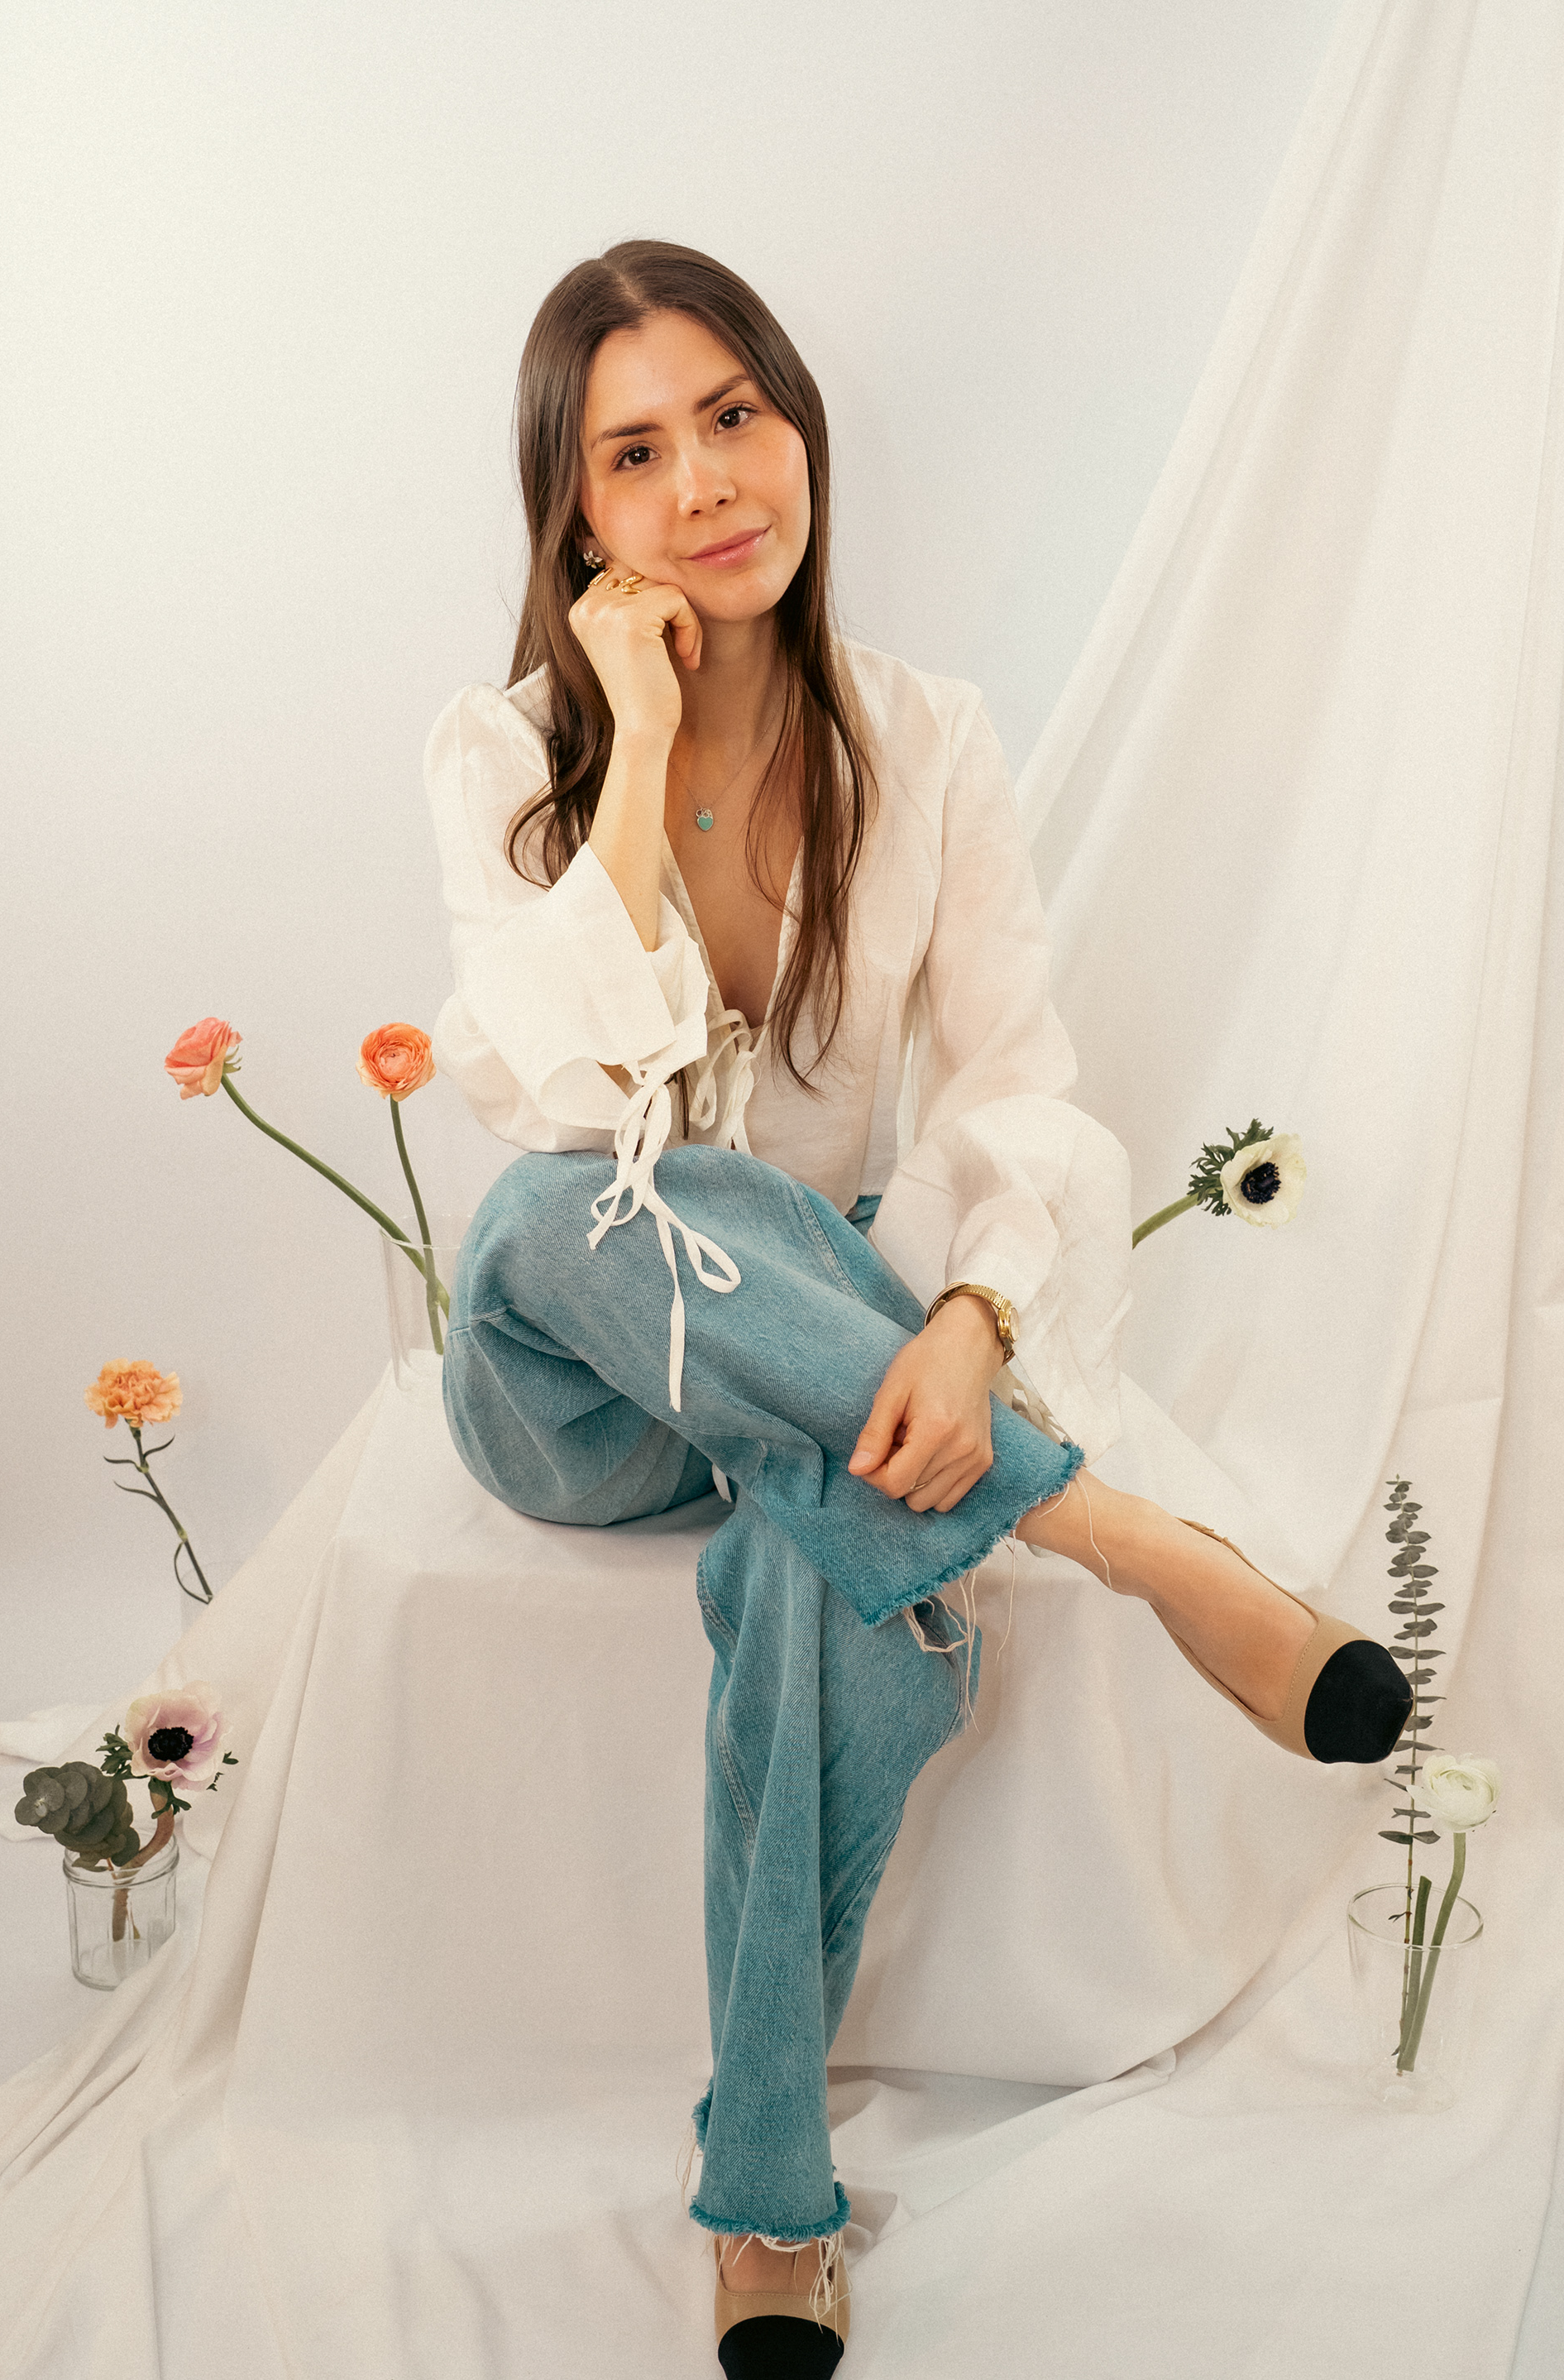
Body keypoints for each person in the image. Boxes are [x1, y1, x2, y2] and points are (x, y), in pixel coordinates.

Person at [425, 238, 1410, 2379]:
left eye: (735, 415)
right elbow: (566, 1100)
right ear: (574, 516)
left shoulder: (930, 740)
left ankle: (767, 2197)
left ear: (800, 424)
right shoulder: (503, 748)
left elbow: (1016, 1089)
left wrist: (968, 1320)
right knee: (539, 1215)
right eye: (635, 452)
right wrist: (641, 739)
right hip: (583, 1384)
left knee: (818, 1559)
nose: (706, 479)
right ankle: (1124, 1538)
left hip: (820, 1357)